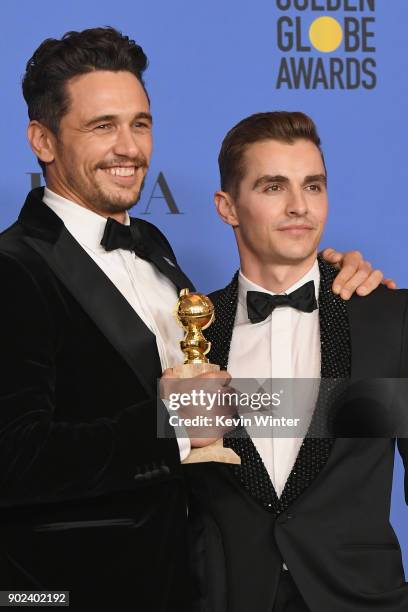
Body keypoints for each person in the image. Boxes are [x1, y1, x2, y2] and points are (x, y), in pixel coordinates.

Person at [0, 27, 390, 611]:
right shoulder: (15, 268)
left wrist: (325, 273)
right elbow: (13, 459)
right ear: (43, 140)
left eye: (140, 123)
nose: (129, 147)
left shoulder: (154, 248)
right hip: (71, 590)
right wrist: (176, 425)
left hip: (189, 586)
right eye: (102, 126)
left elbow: (281, 402)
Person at [183, 111, 408, 612]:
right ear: (228, 207)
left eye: (313, 186)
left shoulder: (389, 319)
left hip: (362, 599)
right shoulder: (186, 334)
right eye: (272, 187)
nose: (298, 207)